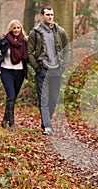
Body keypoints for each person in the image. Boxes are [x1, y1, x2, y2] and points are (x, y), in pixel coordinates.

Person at [27, 6, 70, 135]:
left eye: (51, 15)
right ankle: (47, 126)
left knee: (53, 99)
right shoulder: (34, 32)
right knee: (43, 99)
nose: (50, 17)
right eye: (47, 15)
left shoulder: (60, 31)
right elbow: (28, 51)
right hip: (43, 70)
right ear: (41, 16)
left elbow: (67, 49)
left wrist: (64, 65)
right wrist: (37, 67)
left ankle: (46, 122)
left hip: (57, 70)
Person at [0, 19, 28, 131]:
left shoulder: (24, 41)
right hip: (6, 72)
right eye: (14, 28)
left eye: (18, 28)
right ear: (10, 29)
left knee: (13, 98)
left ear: (21, 29)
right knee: (10, 96)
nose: (16, 30)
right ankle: (12, 124)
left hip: (19, 72)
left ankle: (4, 120)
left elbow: (29, 55)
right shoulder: (4, 40)